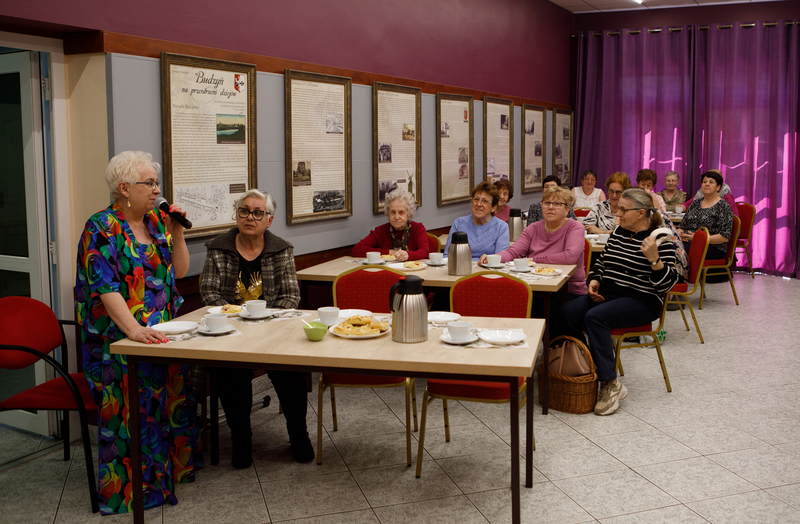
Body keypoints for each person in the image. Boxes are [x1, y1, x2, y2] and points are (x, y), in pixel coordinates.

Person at [76, 151, 199, 514]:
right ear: (125, 188)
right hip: (120, 340)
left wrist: (177, 233)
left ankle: (166, 477)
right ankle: (132, 491)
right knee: (132, 415)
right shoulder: (101, 228)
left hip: (163, 335)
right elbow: (106, 287)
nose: (157, 190)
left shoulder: (158, 221)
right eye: (150, 183)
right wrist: (133, 330)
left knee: (164, 407)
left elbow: (179, 271)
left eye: (157, 183)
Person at [200, 189, 313, 468]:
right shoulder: (218, 248)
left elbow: (291, 296)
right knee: (230, 372)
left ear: (269, 220)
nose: (250, 217)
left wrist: (263, 324)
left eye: (258, 212)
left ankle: (299, 436)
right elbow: (209, 293)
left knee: (291, 371)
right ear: (237, 214)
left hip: (273, 331)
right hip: (231, 332)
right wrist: (240, 321)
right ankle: (241, 441)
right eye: (244, 211)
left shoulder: (281, 249)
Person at [560, 188, 679, 416]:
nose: (618, 214)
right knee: (565, 312)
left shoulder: (660, 239)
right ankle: (586, 367)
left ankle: (610, 383)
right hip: (610, 295)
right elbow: (601, 262)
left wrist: (654, 260)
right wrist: (594, 280)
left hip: (642, 300)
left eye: (624, 210)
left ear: (641, 213)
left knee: (595, 317)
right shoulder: (618, 232)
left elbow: (667, 285)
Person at [481, 186, 587, 297]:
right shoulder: (533, 228)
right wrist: (492, 258)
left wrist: (533, 260)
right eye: (547, 203)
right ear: (541, 205)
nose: (551, 207)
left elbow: (569, 257)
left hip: (567, 290)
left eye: (557, 204)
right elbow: (513, 252)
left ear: (567, 209)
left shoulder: (575, 227)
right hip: (535, 287)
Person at [351, 189, 429, 261]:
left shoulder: (418, 229)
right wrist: (389, 252)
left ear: (409, 215)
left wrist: (408, 255)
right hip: (386, 270)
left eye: (401, 212)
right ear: (388, 213)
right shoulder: (380, 231)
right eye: (393, 212)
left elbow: (424, 252)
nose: (396, 217)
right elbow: (357, 250)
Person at [677, 171, 735, 260]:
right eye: (704, 182)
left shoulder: (724, 206)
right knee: (666, 246)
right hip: (689, 242)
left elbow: (724, 237)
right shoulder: (695, 203)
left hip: (713, 246)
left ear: (718, 187)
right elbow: (682, 226)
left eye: (711, 182)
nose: (707, 184)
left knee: (677, 250)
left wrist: (698, 239)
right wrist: (680, 233)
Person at [444, 181, 509, 259]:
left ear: (493, 207)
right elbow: (448, 256)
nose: (479, 204)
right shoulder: (459, 223)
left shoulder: (501, 227)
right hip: (460, 266)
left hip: (487, 267)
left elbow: (499, 259)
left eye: (485, 201)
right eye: (476, 199)